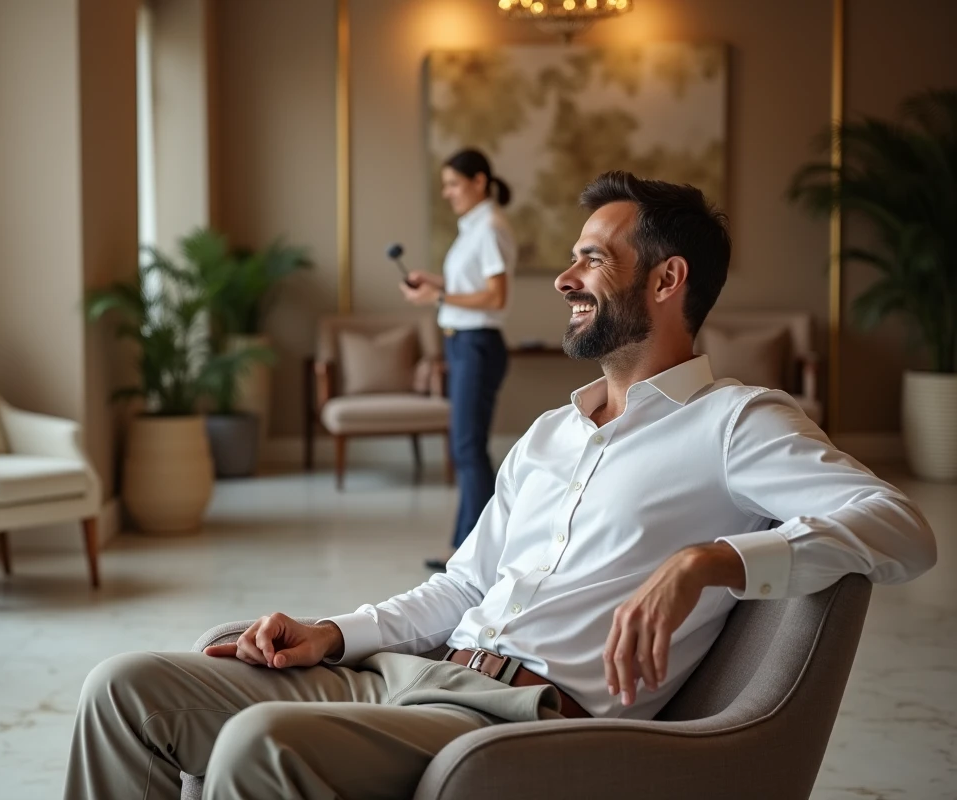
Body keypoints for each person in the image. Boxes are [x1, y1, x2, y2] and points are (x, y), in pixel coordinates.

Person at [62, 172, 936, 800]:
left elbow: (900, 527)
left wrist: (712, 559)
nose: (564, 278)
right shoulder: (552, 433)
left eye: (593, 259)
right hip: (411, 676)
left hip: (513, 715)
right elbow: (464, 584)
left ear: (669, 281)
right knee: (124, 690)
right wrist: (336, 632)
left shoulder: (735, 421)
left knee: (261, 746)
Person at [401, 148, 517, 570]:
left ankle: (478, 551)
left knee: (468, 447)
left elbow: (496, 295)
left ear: (479, 181)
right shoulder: (473, 229)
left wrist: (441, 295)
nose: (447, 193)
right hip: (462, 343)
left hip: (477, 343)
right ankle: (465, 547)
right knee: (464, 446)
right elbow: (474, 284)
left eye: (453, 183)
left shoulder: (489, 226)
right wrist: (437, 283)